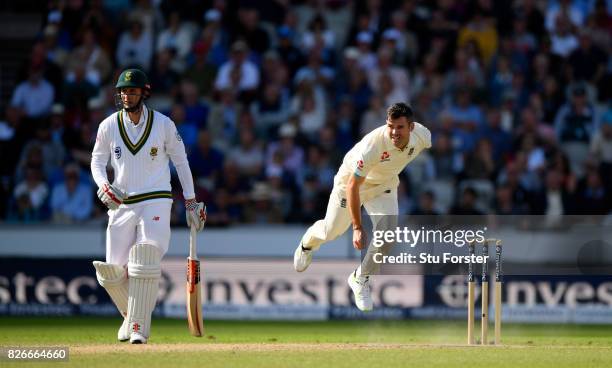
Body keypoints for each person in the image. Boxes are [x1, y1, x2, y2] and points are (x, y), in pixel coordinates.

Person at [90, 69, 206, 344]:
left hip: (156, 198)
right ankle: (130, 318)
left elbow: (181, 162)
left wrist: (190, 200)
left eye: (132, 91)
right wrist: (103, 184)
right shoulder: (108, 125)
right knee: (111, 271)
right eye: (123, 91)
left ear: (145, 92)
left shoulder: (164, 124)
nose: (127, 95)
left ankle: (139, 328)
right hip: (121, 202)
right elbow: (97, 161)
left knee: (145, 257)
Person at [294, 102, 431, 311]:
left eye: (400, 127)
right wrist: (357, 228)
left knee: (387, 236)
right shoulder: (373, 146)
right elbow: (353, 186)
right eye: (390, 126)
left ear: (411, 127)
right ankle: (307, 244)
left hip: (383, 186)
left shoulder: (422, 136)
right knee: (332, 231)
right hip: (350, 185)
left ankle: (361, 278)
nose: (394, 132)